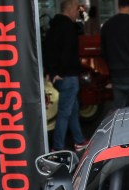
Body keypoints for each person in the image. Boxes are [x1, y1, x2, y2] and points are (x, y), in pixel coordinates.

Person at [44, 0, 87, 153]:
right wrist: (60, 72)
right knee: (65, 113)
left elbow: (49, 51)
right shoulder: (69, 28)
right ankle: (57, 147)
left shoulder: (53, 27)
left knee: (72, 110)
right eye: (77, 9)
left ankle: (79, 140)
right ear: (71, 9)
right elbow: (68, 54)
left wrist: (52, 72)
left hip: (60, 76)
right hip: (68, 76)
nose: (78, 13)